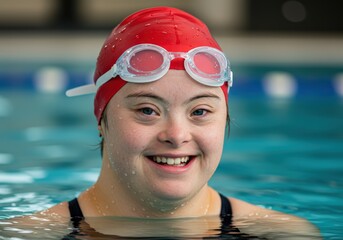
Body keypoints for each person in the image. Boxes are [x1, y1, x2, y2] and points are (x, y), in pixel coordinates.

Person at [8, 6, 320, 239]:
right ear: (101, 119)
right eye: (147, 110)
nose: (176, 135)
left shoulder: (281, 234)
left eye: (199, 112)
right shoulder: (28, 235)